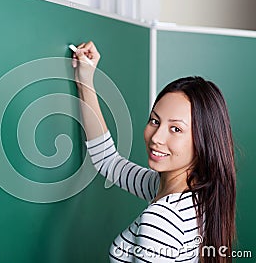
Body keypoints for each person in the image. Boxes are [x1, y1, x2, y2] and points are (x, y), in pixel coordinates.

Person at [71, 41, 236, 263]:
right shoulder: (193, 195)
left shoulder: (161, 220)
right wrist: (85, 81)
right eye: (154, 121)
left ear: (204, 141)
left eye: (176, 129)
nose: (156, 138)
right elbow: (108, 162)